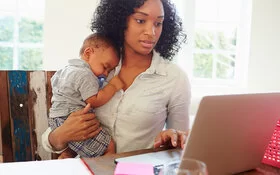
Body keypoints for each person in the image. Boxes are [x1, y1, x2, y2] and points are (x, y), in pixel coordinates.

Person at [42, 0, 191, 156]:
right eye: (140, 20)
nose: (151, 32)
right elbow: (51, 135)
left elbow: (181, 145)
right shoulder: (97, 65)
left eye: (158, 23)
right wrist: (60, 136)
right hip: (87, 169)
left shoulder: (174, 78)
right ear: (120, 20)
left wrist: (169, 141)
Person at [48, 33, 124, 158]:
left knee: (73, 151)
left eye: (109, 71)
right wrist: (113, 87)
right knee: (109, 146)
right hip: (70, 119)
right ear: (88, 53)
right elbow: (94, 100)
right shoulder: (85, 74)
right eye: (105, 67)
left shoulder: (66, 70)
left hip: (57, 118)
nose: (105, 74)